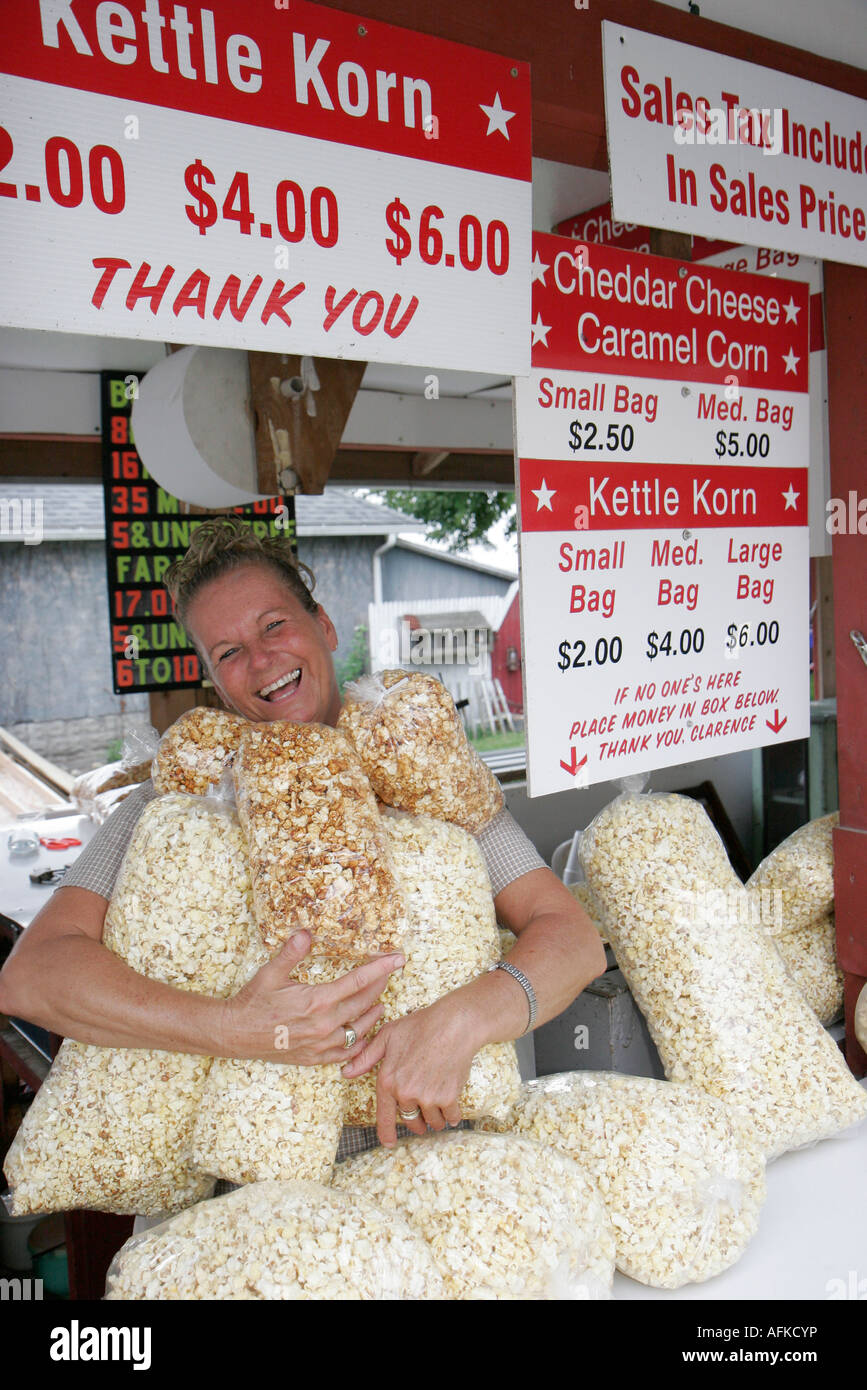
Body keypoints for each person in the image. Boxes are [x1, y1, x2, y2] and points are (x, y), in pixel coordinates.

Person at [0, 519, 606, 1156]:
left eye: (273, 626)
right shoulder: (181, 805)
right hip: (257, 1188)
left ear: (323, 625)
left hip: (434, 1162)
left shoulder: (422, 770)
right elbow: (33, 975)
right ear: (214, 681)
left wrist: (464, 1019)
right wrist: (233, 1027)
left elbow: (571, 940)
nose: (261, 661)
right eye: (228, 652)